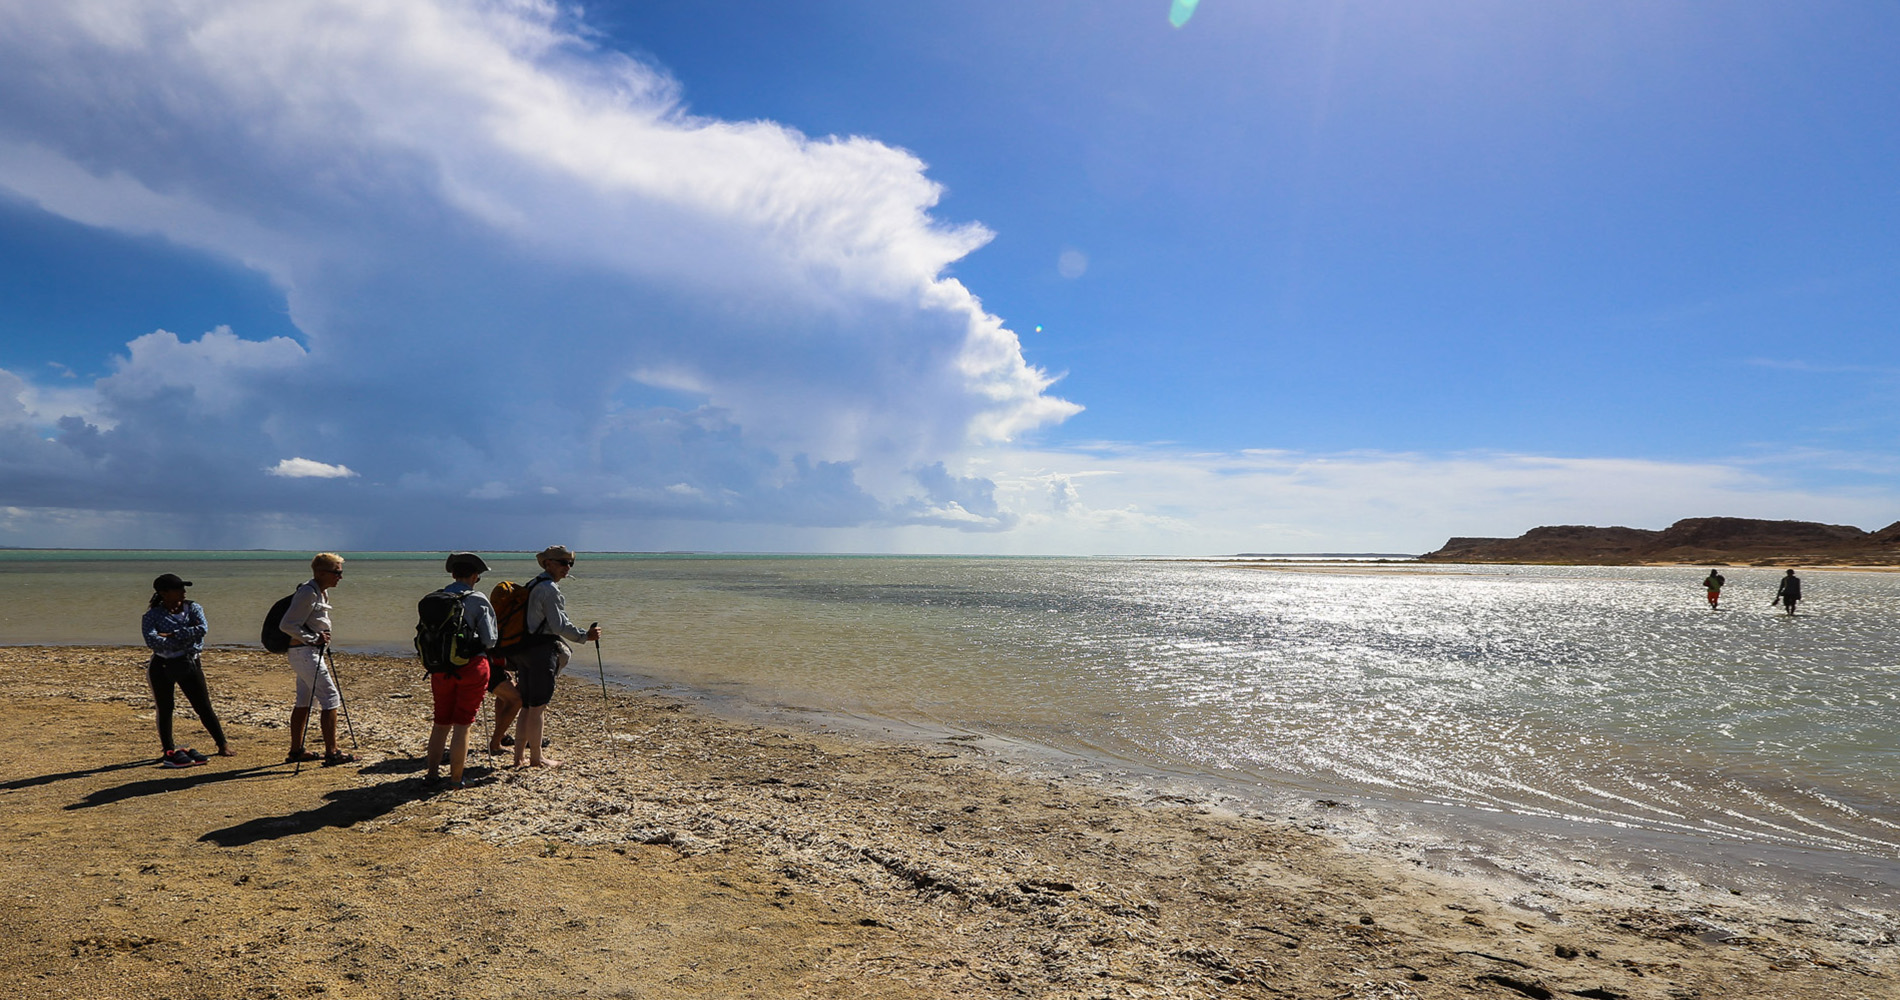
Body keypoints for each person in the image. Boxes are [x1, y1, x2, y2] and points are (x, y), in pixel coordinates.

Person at [513, 545, 602, 769]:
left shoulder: (533, 584)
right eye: (562, 563)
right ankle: (536, 758)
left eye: (570, 563)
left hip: (523, 649)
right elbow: (558, 625)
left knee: (526, 705)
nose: (567, 567)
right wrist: (585, 636)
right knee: (537, 707)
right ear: (548, 563)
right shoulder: (549, 589)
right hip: (541, 651)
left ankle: (518, 758)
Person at [140, 573, 232, 766]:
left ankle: (222, 744)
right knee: (165, 708)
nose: (184, 591)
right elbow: (152, 641)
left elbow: (202, 629)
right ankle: (168, 750)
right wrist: (184, 639)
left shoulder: (194, 608)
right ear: (164, 593)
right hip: (162, 666)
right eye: (179, 588)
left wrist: (172, 634)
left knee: (203, 706)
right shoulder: (151, 615)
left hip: (190, 663)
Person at [424, 553, 496, 789]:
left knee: (441, 722)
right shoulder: (478, 599)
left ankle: (432, 774)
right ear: (475, 576)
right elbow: (490, 640)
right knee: (463, 724)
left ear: (453, 574)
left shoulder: (436, 598)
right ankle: (456, 779)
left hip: (440, 667)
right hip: (471, 667)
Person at [279, 552, 357, 765]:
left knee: (304, 701)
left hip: (307, 653)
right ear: (321, 573)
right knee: (331, 699)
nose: (340, 577)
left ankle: (296, 751)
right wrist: (314, 638)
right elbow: (286, 625)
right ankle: (332, 752)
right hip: (305, 653)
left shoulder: (319, 591)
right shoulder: (308, 592)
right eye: (337, 573)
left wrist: (317, 638)